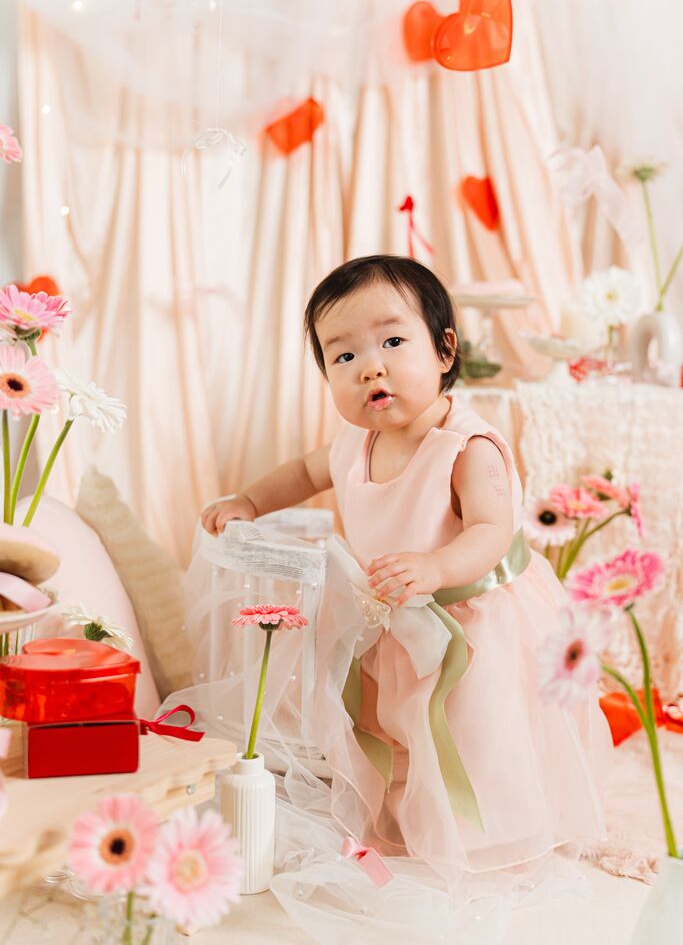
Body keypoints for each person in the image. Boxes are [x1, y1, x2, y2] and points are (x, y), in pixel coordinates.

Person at [201, 254, 612, 883]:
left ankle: (491, 823)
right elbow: (305, 473)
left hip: (473, 618)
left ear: (445, 350)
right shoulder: (354, 441)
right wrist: (251, 500)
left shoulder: (467, 447)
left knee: (475, 726)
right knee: (392, 721)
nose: (370, 366)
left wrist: (436, 565)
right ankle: (408, 809)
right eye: (343, 356)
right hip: (394, 610)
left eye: (393, 342)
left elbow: (490, 531)